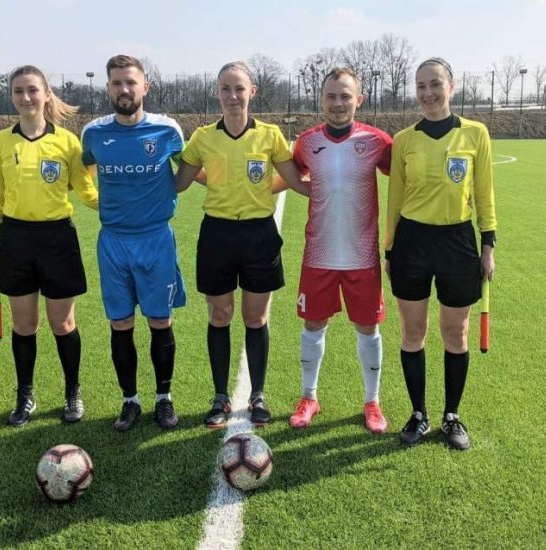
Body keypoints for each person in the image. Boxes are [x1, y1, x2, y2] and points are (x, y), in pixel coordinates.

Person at [176, 60, 307, 428]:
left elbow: (295, 181)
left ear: (253, 91)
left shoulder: (270, 135)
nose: (232, 96)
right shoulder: (203, 137)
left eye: (239, 88)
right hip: (217, 235)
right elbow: (180, 182)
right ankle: (220, 396)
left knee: (255, 317)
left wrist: (338, 188)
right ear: (216, 92)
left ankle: (257, 394)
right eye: (225, 89)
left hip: (259, 236)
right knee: (219, 315)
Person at [384, 57, 497, 450]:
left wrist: (488, 244)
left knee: (455, 332)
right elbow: (395, 198)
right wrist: (389, 248)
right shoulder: (404, 140)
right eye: (421, 86)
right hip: (412, 243)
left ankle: (451, 416)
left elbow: (484, 193)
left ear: (452, 86)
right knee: (413, 332)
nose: (428, 93)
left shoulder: (476, 134)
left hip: (458, 242)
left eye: (435, 84)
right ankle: (418, 414)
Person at [0, 65, 98, 427]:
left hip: (57, 240)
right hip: (16, 240)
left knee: (63, 323)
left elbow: (87, 192)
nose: (26, 97)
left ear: (47, 94)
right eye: (18, 91)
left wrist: (126, 200)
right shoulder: (0, 143)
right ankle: (25, 395)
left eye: (32, 90)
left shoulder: (68, 142)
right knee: (24, 324)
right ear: (12, 96)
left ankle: (72, 392)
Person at [283, 67, 392, 433]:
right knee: (313, 324)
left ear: (359, 99)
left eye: (345, 96)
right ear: (321, 100)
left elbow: (405, 174)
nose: (338, 103)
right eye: (331, 96)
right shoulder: (307, 142)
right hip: (320, 254)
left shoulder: (377, 141)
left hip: (362, 256)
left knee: (368, 328)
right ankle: (309, 397)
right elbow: (291, 173)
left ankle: (372, 401)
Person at [81, 55, 186, 432]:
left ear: (145, 87)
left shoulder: (167, 130)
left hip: (156, 238)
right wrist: (96, 201)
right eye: (116, 83)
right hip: (114, 242)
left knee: (160, 319)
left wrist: (170, 191)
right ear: (108, 88)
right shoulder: (93, 133)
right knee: (121, 322)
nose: (124, 90)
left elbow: (188, 166)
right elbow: (83, 171)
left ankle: (163, 398)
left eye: (130, 82)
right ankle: (130, 401)